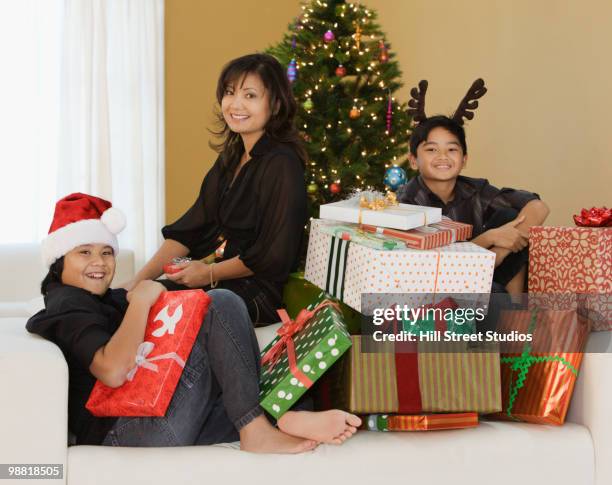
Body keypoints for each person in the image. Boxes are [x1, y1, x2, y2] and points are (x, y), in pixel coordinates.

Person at [26, 193, 361, 451]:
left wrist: (181, 283)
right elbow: (112, 370)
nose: (98, 262)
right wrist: (141, 303)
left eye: (106, 251)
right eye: (84, 252)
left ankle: (283, 416)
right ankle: (257, 428)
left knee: (224, 352)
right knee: (220, 302)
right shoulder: (67, 305)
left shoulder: (97, 298)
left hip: (150, 417)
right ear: (59, 260)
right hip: (126, 434)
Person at [122, 53, 308, 325]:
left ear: (276, 104)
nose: (236, 104)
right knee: (126, 298)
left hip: (255, 295)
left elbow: (272, 257)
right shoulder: (231, 159)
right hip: (222, 282)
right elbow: (190, 229)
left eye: (250, 95)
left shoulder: (281, 163)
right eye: (230, 93)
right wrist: (137, 280)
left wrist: (208, 273)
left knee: (149, 305)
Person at [397, 79, 550, 294]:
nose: (443, 157)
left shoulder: (473, 190)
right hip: (437, 290)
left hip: (484, 278)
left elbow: (538, 207)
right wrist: (490, 238)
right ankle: (503, 311)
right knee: (493, 293)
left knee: (510, 216)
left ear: (464, 159)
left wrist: (498, 252)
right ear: (413, 161)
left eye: (451, 149)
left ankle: (515, 311)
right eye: (431, 150)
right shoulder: (407, 201)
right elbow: (431, 265)